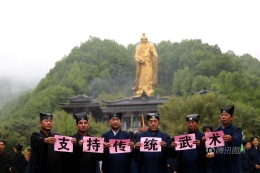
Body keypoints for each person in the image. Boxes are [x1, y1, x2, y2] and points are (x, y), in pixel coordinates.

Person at [212, 105, 242, 173]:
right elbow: (211, 147)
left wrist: (231, 139)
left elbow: (238, 141)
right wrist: (205, 141)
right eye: (222, 115)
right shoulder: (215, 131)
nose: (223, 117)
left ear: (231, 117)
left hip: (232, 164)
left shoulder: (236, 130)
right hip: (218, 164)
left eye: (226, 115)